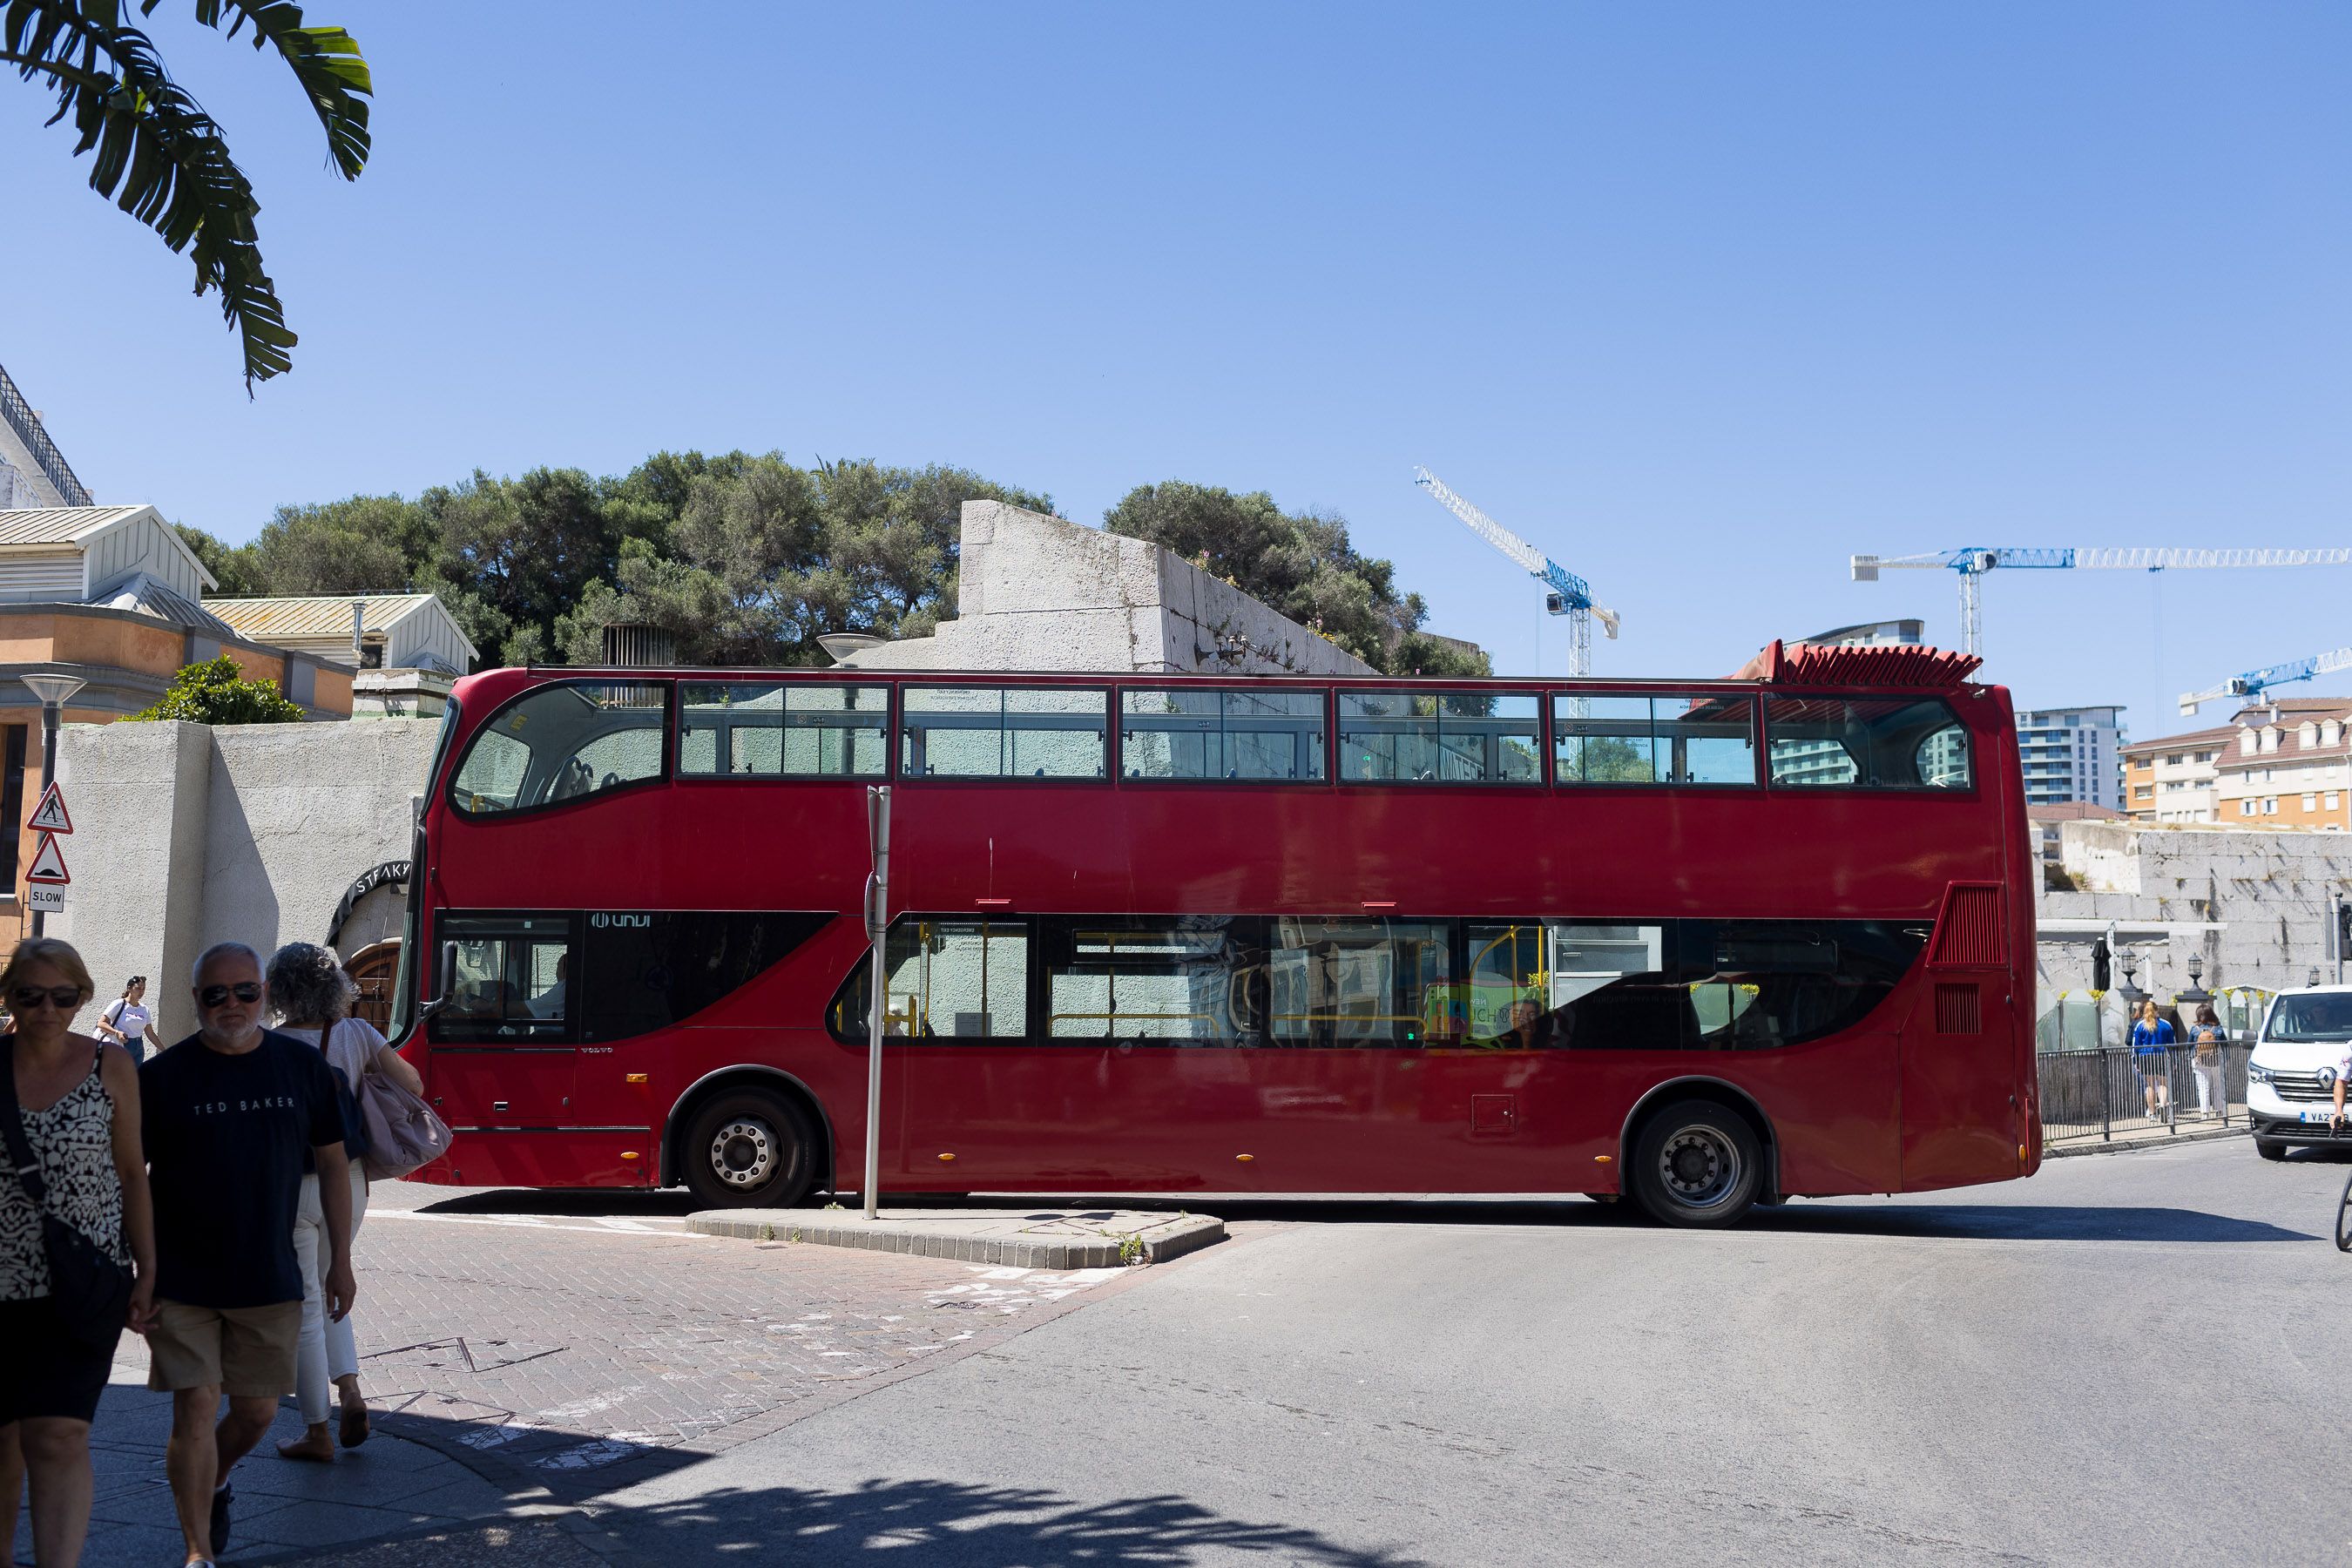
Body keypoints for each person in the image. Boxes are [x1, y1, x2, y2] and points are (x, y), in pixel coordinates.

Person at [140, 943, 355, 1568]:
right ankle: (197, 1552)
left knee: (259, 1412)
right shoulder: (162, 1077)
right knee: (197, 1403)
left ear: (265, 993)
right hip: (182, 1276)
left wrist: (340, 1259)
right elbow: (130, 1176)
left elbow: (334, 1164)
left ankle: (216, 1479)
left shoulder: (302, 1067)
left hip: (267, 1271)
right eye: (215, 994)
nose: (231, 1005)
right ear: (196, 1000)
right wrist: (140, 1268)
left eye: (245, 992)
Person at [0, 939, 155, 1568]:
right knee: (4, 1439)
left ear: (84, 998)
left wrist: (148, 1270)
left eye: (63, 997)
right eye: (30, 996)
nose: (46, 1009)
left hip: (84, 1280)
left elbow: (132, 1174)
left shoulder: (110, 1065)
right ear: (9, 997)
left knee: (58, 1435)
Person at [264, 942, 422, 1463]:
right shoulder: (356, 1034)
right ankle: (350, 1390)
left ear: (279, 989)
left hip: (288, 1183)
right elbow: (413, 1085)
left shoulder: (267, 1044)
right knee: (335, 1282)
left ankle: (317, 1430)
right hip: (347, 1182)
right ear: (335, 988)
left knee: (307, 1301)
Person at [93, 976, 163, 1060]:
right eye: (138, 988)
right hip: (121, 1044)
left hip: (138, 1047)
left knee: (135, 1073)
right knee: (119, 1073)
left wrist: (164, 1050)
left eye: (143, 989)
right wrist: (116, 1032)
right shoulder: (119, 1004)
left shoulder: (144, 1009)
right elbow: (101, 1023)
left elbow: (150, 1033)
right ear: (129, 988)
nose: (141, 992)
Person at [2131, 998, 2175, 1122]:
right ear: (2157, 1010)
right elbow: (2172, 1044)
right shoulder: (2166, 1025)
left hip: (2145, 1057)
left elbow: (2136, 1046)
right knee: (2163, 1084)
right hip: (2161, 1056)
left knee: (2150, 1086)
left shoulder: (2140, 1026)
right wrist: (2174, 1061)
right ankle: (2162, 1105)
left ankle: (2152, 1113)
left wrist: (2136, 1061)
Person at [2186, 1004, 2227, 1121]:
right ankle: (2220, 1111)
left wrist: (2192, 1057)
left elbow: (2189, 1045)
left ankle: (2205, 1113)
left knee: (2203, 1087)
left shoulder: (2195, 1029)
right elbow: (2225, 1043)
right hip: (2216, 1061)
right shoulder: (2218, 1029)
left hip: (2200, 1062)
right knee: (2218, 1086)